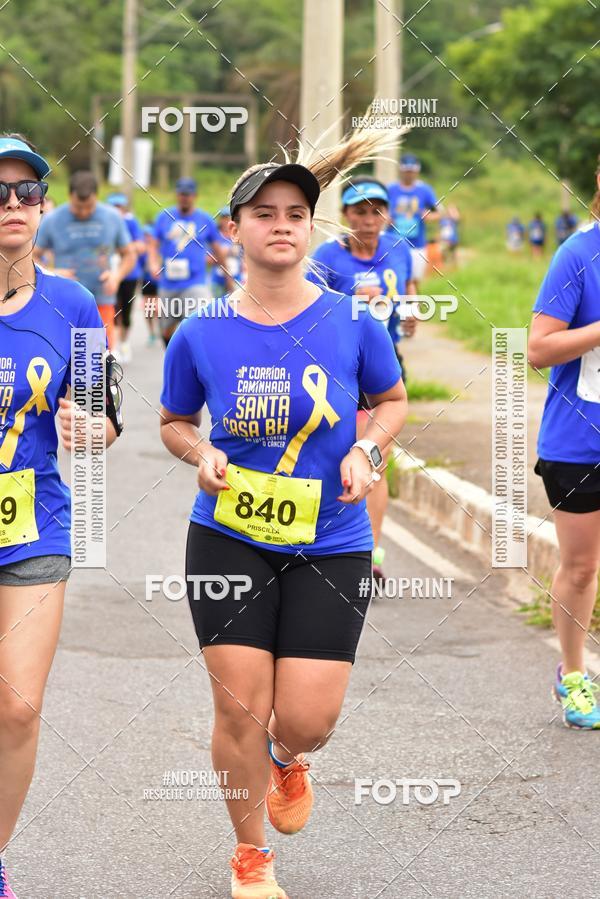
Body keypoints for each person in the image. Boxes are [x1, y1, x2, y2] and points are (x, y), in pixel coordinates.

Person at [159, 129, 407, 898]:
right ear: (233, 228)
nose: (281, 224)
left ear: (310, 228)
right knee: (240, 707)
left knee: (307, 719)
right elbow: (173, 419)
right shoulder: (200, 331)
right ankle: (249, 854)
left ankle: (286, 758)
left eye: (296, 213)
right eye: (263, 212)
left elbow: (391, 402)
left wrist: (368, 449)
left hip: (331, 540)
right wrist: (198, 452)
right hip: (229, 537)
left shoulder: (354, 321)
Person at [0, 134, 120, 897]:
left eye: (26, 194)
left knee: (17, 705)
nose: (13, 206)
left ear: (43, 209)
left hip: (31, 526)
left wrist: (93, 428)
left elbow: (104, 415)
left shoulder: (72, 303)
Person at [308, 176, 416, 581]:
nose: (369, 220)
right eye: (359, 211)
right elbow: (307, 312)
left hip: (382, 370)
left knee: (374, 459)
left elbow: (407, 291)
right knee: (330, 455)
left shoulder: (399, 249)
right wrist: (350, 306)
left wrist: (409, 314)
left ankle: (368, 552)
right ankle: (322, 538)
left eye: (376, 211)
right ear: (346, 216)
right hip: (335, 370)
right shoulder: (327, 257)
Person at [528, 156, 600, 730]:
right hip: (580, 440)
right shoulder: (577, 256)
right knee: (581, 568)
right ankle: (574, 675)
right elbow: (539, 348)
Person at [33, 171, 136, 351]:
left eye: (89, 207)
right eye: (78, 207)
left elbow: (129, 254)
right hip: (62, 302)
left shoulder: (112, 217)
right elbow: (30, 255)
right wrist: (52, 272)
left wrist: (116, 276)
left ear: (97, 197)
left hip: (101, 300)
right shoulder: (52, 219)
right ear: (69, 196)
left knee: (95, 361)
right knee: (62, 357)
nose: (83, 212)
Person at [147, 177, 233, 347]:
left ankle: (197, 360)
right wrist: (153, 263)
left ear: (195, 196)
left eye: (188, 194)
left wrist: (228, 278)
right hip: (168, 284)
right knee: (166, 330)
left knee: (201, 319)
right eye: (181, 194)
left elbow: (218, 250)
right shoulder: (164, 217)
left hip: (195, 282)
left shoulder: (205, 219)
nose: (184, 197)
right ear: (177, 195)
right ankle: (173, 356)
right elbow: (152, 245)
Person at [386, 153, 438, 287]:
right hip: (393, 243)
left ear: (417, 171)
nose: (409, 174)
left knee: (414, 281)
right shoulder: (390, 189)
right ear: (401, 170)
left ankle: (414, 306)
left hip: (417, 244)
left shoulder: (425, 190)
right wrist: (385, 218)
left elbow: (439, 213)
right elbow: (379, 211)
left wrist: (428, 216)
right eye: (406, 171)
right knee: (393, 280)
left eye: (412, 171)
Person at [105, 193, 145, 364]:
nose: (116, 210)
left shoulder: (131, 222)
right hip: (109, 274)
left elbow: (141, 246)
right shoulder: (103, 223)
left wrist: (124, 248)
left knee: (126, 312)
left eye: (119, 207)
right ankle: (112, 347)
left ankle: (125, 342)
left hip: (129, 274)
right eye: (113, 207)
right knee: (111, 311)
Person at [210, 205, 245, 296]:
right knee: (218, 307)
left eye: (228, 218)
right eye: (223, 218)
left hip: (236, 280)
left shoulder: (239, 236)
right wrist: (220, 255)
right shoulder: (214, 238)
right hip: (218, 281)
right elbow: (206, 259)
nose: (226, 221)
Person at [139, 223, 160, 346]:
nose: (147, 238)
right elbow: (139, 267)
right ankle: (151, 332)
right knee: (148, 310)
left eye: (149, 235)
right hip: (146, 282)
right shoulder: (142, 252)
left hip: (158, 283)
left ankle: (159, 328)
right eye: (145, 235)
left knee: (157, 309)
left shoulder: (158, 250)